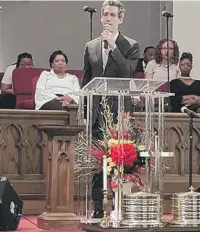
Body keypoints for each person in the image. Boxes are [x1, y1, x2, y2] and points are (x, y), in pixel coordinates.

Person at [82, 0, 140, 218]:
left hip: (119, 111)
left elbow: (128, 73)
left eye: (112, 15)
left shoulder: (131, 45)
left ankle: (120, 202)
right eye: (105, 14)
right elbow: (87, 80)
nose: (107, 18)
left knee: (120, 158)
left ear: (120, 19)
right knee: (99, 160)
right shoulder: (91, 46)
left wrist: (114, 48)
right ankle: (98, 205)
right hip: (97, 112)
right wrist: (85, 108)